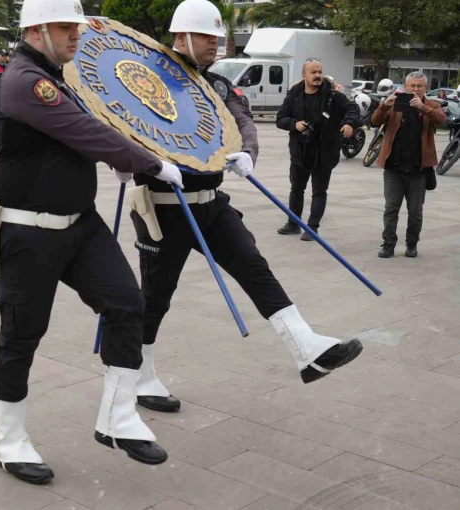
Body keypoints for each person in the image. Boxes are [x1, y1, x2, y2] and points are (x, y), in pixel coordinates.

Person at [0, 0, 187, 486]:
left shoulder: (57, 76)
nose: (76, 35)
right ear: (36, 30)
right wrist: (150, 163)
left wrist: (118, 157)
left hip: (81, 225)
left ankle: (117, 418)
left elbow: (89, 132)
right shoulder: (24, 81)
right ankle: (10, 442)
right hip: (29, 231)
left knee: (127, 304)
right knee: (21, 336)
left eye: (76, 27)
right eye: (65, 27)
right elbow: (83, 131)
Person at [126, 0, 363, 414]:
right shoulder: (146, 78)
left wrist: (247, 151)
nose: (214, 44)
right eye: (206, 37)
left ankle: (307, 349)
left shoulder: (217, 85)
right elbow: (121, 123)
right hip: (164, 206)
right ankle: (138, 376)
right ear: (181, 36)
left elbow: (242, 120)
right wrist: (137, 160)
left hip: (211, 204)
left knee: (254, 266)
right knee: (156, 296)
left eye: (217, 38)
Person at [276, 59, 359, 240]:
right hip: (300, 151)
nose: (318, 75)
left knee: (319, 192)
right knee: (296, 189)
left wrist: (348, 123)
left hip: (325, 153)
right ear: (304, 75)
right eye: (313, 72)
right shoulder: (294, 95)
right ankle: (293, 223)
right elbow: (280, 118)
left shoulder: (333, 97)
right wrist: (294, 124)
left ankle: (312, 228)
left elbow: (352, 109)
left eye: (320, 72)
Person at [373, 72, 445, 258]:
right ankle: (388, 243)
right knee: (391, 208)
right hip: (394, 167)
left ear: (425, 88)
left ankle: (412, 244)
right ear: (405, 87)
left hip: (418, 169)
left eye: (419, 86)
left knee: (415, 212)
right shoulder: (395, 103)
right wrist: (385, 105)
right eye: (412, 85)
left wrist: (422, 107)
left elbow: (440, 119)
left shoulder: (432, 105)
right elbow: (375, 120)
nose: (415, 89)